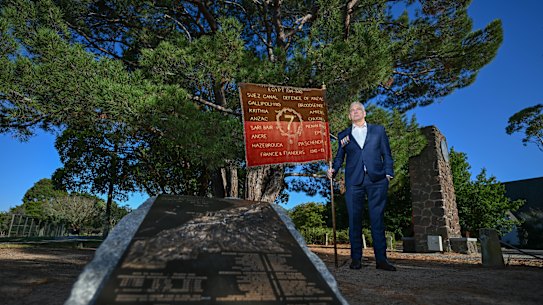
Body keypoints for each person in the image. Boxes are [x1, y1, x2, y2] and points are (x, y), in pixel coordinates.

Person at [327, 101, 396, 271]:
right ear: (349, 116)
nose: (355, 112)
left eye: (358, 109)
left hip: (377, 180)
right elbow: (339, 157)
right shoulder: (344, 135)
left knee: (377, 220)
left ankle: (381, 260)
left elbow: (386, 153)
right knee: (354, 221)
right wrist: (333, 169)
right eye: (352, 110)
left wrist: (388, 174)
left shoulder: (378, 130)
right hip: (354, 182)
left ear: (364, 113)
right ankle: (356, 259)